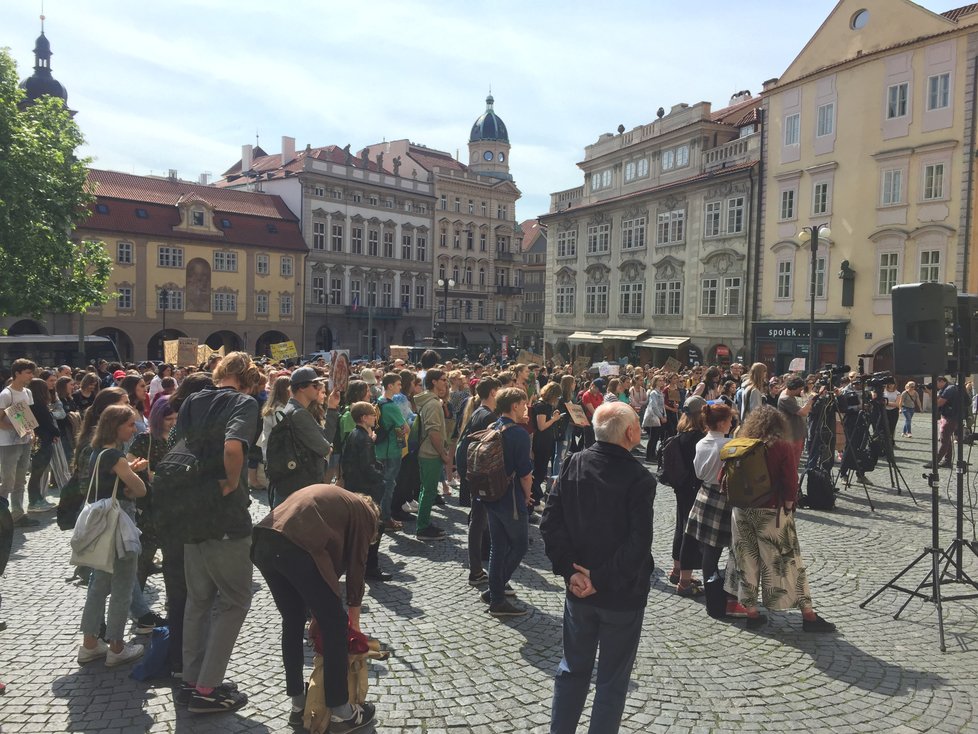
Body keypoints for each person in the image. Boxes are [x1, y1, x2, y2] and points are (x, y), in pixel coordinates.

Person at [541, 402, 654, 734]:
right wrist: (594, 577)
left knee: (573, 670)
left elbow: (550, 524)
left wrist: (572, 573)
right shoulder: (639, 477)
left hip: (581, 590)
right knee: (611, 682)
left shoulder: (574, 462)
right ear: (631, 432)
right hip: (620, 593)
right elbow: (639, 543)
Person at [174, 352, 262, 714]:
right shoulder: (243, 402)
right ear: (248, 379)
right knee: (235, 600)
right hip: (225, 518)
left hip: (191, 513)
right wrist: (230, 481)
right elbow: (232, 445)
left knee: (198, 600)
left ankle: (191, 680)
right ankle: (208, 689)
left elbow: (178, 447)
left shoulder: (193, 399)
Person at [251, 484, 379, 732]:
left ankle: (298, 706)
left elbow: (320, 572)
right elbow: (356, 570)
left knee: (293, 619)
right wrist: (353, 623)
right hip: (294, 546)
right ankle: (342, 712)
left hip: (264, 541)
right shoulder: (364, 513)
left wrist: (320, 612)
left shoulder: (339, 503)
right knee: (336, 624)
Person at [724, 405, 836, 633]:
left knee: (745, 559)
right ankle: (808, 615)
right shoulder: (780, 446)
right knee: (787, 561)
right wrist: (787, 506)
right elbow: (790, 480)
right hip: (771, 510)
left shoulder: (739, 443)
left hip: (741, 510)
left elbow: (722, 478)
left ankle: (752, 612)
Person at [76, 404, 148, 667]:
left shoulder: (96, 452)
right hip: (118, 526)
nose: (134, 428)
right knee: (122, 586)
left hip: (100, 527)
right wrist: (135, 473)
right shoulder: (116, 456)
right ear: (116, 426)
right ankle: (117, 646)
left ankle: (90, 644)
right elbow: (139, 490)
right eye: (130, 424)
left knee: (98, 587)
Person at [478, 387, 534, 617]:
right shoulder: (518, 433)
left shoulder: (492, 426)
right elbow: (525, 474)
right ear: (514, 406)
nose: (526, 408)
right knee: (520, 545)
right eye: (523, 404)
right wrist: (528, 495)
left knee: (498, 547)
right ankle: (497, 595)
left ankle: (494, 593)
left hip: (491, 495)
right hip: (510, 498)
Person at [267, 367, 339, 507]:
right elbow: (324, 447)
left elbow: (325, 438)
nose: (318, 389)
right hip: (299, 483)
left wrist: (331, 408)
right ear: (301, 388)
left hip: (293, 481)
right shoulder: (299, 413)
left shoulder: (294, 409)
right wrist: (327, 447)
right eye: (315, 385)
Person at [455, 377, 501, 587]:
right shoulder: (487, 415)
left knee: (477, 519)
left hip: (473, 471)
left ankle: (478, 565)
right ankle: (475, 570)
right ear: (493, 392)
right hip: (479, 474)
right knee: (478, 521)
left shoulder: (479, 411)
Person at [341, 401, 391, 581]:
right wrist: (381, 477)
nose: (375, 417)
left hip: (356, 486)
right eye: (372, 415)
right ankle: (371, 566)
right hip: (366, 489)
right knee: (374, 527)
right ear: (363, 418)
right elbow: (367, 467)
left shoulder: (356, 435)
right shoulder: (362, 439)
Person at [667, 396, 708, 595]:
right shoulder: (698, 438)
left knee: (679, 527)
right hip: (693, 488)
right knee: (689, 533)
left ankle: (677, 570)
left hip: (681, 487)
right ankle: (684, 580)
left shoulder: (681, 433)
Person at [414, 369, 453, 541]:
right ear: (434, 382)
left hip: (428, 452)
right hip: (429, 453)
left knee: (427, 490)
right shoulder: (433, 404)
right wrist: (443, 454)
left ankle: (424, 523)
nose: (446, 383)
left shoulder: (432, 401)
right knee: (429, 490)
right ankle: (422, 527)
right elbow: (433, 433)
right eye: (443, 379)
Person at [0, 359, 37, 527]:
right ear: (17, 373)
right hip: (8, 443)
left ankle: (17, 515)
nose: (31, 375)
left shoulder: (27, 393)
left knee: (20, 479)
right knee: (8, 479)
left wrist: (31, 431)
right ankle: (2, 514)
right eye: (28, 372)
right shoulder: (6, 395)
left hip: (25, 441)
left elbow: (27, 417)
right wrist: (15, 427)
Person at [374, 373, 408, 531]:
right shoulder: (392, 406)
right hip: (391, 449)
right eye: (398, 384)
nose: (400, 387)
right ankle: (385, 518)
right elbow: (404, 427)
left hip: (379, 448)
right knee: (389, 484)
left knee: (381, 484)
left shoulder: (377, 402)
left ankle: (379, 515)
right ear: (390, 386)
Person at [25, 377, 60, 513]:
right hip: (42, 440)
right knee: (37, 472)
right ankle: (35, 500)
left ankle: (37, 498)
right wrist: (56, 433)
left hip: (40, 439)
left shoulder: (33, 404)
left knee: (37, 473)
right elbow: (47, 423)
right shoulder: (39, 405)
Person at [530, 382, 563, 506]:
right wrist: (554, 419)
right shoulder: (542, 406)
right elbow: (542, 426)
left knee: (540, 471)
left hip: (544, 441)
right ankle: (534, 501)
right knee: (539, 472)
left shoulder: (544, 405)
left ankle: (535, 499)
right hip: (541, 442)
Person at [777, 376, 816, 472]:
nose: (801, 392)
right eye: (799, 389)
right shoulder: (786, 399)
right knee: (792, 462)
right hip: (792, 435)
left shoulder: (789, 395)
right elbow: (803, 412)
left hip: (796, 433)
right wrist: (811, 401)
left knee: (794, 462)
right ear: (793, 388)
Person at [928, 376, 959, 469]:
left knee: (944, 439)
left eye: (936, 383)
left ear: (941, 381)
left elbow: (938, 403)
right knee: (947, 439)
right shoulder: (945, 388)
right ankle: (947, 461)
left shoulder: (949, 389)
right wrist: (930, 393)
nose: (936, 386)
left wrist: (930, 392)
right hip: (947, 416)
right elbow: (936, 400)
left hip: (951, 417)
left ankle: (935, 461)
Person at [642, 376, 667, 464]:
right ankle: (649, 456)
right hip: (655, 417)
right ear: (655, 382)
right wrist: (661, 416)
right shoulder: (653, 393)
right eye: (659, 381)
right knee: (653, 437)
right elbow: (654, 406)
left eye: (662, 380)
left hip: (660, 416)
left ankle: (653, 454)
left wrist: (665, 415)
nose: (661, 382)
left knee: (656, 438)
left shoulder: (660, 392)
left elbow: (662, 406)